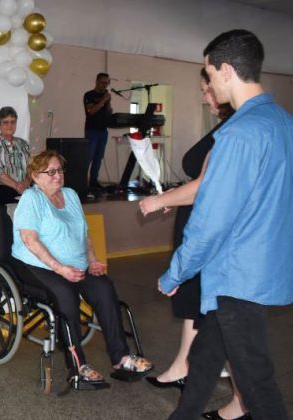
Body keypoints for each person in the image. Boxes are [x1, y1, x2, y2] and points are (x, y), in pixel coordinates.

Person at [159, 30, 292, 420]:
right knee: (204, 356)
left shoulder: (237, 133)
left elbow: (210, 221)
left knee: (258, 386)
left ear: (227, 70)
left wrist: (176, 272)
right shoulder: (283, 122)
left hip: (237, 274)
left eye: (210, 72)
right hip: (259, 268)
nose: (210, 82)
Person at [140, 70, 249, 420]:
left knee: (224, 320)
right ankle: (183, 367)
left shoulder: (235, 131)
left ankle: (243, 402)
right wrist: (175, 196)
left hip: (214, 234)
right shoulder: (226, 128)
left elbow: (206, 186)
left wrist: (159, 201)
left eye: (207, 88)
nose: (205, 95)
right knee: (197, 305)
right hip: (201, 223)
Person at [11, 150, 153, 390]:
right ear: (35, 176)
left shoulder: (71, 195)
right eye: (51, 172)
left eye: (60, 170)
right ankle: (78, 367)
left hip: (76, 264)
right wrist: (60, 268)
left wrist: (93, 260)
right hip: (37, 264)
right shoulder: (31, 198)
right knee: (66, 295)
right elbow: (29, 240)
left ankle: (121, 358)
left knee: (104, 287)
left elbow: (83, 235)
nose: (58, 176)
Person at [0, 106, 31, 204]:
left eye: (13, 122)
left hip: (24, 190)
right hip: (0, 191)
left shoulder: (24, 144)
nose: (10, 125)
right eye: (5, 122)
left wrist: (25, 184)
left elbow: (31, 168)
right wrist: (17, 186)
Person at [83, 72, 113, 193]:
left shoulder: (105, 96)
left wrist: (108, 102)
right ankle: (81, 181)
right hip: (92, 130)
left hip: (103, 130)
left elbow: (109, 112)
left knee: (98, 157)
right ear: (97, 81)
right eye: (103, 82)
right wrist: (103, 100)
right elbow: (91, 111)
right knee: (88, 157)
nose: (105, 85)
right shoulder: (89, 95)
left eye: (107, 83)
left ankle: (93, 181)